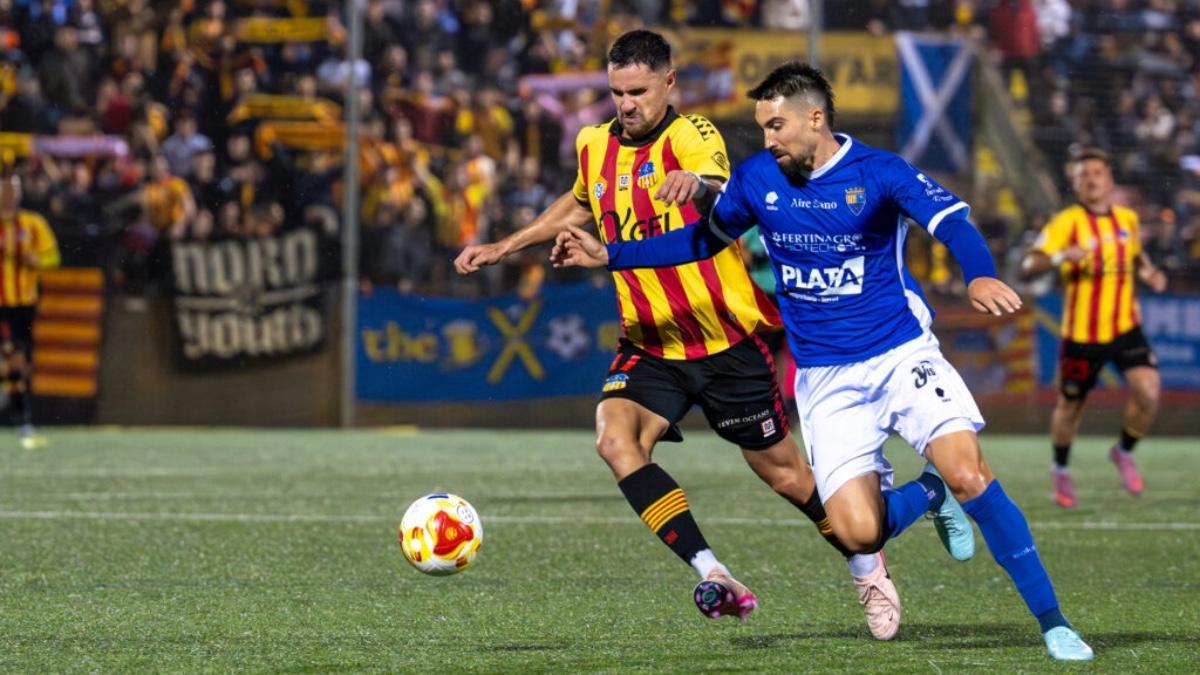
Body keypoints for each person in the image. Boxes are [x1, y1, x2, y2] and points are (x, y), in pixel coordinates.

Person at [552, 61, 1094, 661]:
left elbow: (952, 222)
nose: (767, 140)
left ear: (816, 117)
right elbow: (704, 240)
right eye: (761, 128)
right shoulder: (759, 178)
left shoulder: (878, 171)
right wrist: (613, 254)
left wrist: (980, 274)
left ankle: (1053, 623)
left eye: (777, 125)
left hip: (898, 352)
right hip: (826, 377)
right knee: (860, 531)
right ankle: (929, 494)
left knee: (972, 473)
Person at [455, 30, 920, 639]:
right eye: (617, 91)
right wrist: (506, 245)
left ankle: (868, 566)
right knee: (616, 441)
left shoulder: (692, 134)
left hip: (724, 341)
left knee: (787, 477)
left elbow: (719, 186)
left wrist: (695, 186)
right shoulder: (593, 144)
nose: (626, 104)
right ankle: (713, 571)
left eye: (639, 91)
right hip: (649, 342)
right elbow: (576, 207)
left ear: (668, 83)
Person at [1020, 149, 1167, 508]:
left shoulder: (1127, 220)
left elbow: (1136, 256)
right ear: (1075, 183)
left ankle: (1123, 451)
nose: (1092, 179)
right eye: (1084, 174)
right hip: (1082, 335)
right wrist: (1059, 257)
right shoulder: (1066, 222)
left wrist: (1149, 273)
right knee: (1072, 405)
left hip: (1125, 327)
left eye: (1098, 172)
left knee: (1148, 391)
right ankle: (1060, 469)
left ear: (1109, 180)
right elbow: (1028, 265)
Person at [0, 172, 61, 449]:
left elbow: (53, 258)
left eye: (14, 188)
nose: (10, 193)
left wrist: (36, 259)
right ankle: (22, 419)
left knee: (22, 363)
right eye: (5, 188)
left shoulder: (33, 223)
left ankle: (21, 418)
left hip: (24, 303)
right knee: (11, 353)